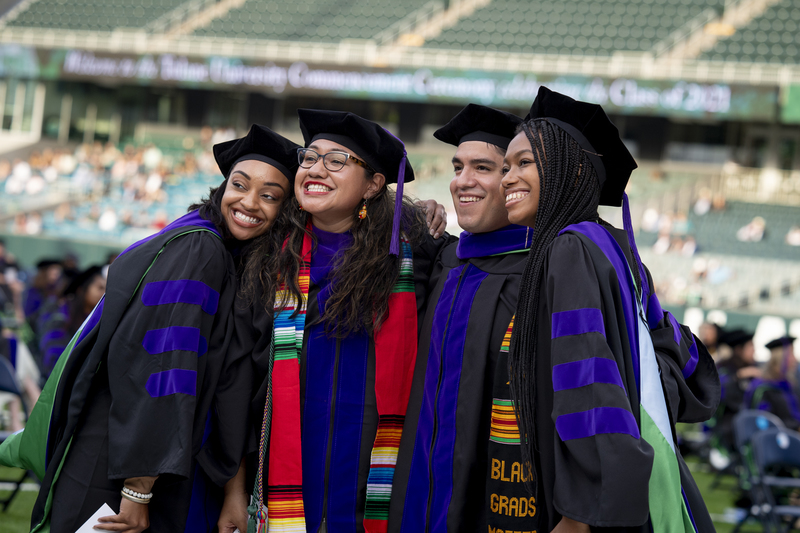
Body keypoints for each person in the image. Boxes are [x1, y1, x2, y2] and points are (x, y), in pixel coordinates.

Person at [0, 124, 301, 533]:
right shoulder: (201, 248)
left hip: (135, 454)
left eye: (269, 196)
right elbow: (162, 366)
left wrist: (232, 491)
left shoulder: (202, 243)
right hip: (121, 463)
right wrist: (138, 489)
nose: (249, 202)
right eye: (239, 185)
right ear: (222, 187)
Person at [495, 87, 719, 532]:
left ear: (571, 169)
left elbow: (589, 385)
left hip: (590, 507)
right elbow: (665, 355)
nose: (506, 178)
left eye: (524, 163)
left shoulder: (570, 249)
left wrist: (581, 512)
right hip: (641, 476)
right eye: (505, 166)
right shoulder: (614, 248)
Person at [240, 109, 447, 533]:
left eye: (336, 161)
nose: (316, 169)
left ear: (373, 184)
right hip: (285, 480)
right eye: (309, 157)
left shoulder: (413, 254)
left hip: (378, 478)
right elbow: (238, 380)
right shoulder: (267, 256)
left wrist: (422, 219)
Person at [389, 104, 529, 532]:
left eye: (482, 167)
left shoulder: (546, 273)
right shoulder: (445, 259)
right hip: (417, 487)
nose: (461, 181)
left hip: (494, 496)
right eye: (457, 166)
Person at [37, 265, 106, 377]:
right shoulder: (61, 317)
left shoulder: (97, 319)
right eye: (100, 288)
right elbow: (53, 360)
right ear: (82, 289)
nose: (104, 294)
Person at [744, 335, 799, 430]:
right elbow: (764, 423)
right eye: (791, 354)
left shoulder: (789, 385)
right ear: (780, 358)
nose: (795, 359)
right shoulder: (762, 389)